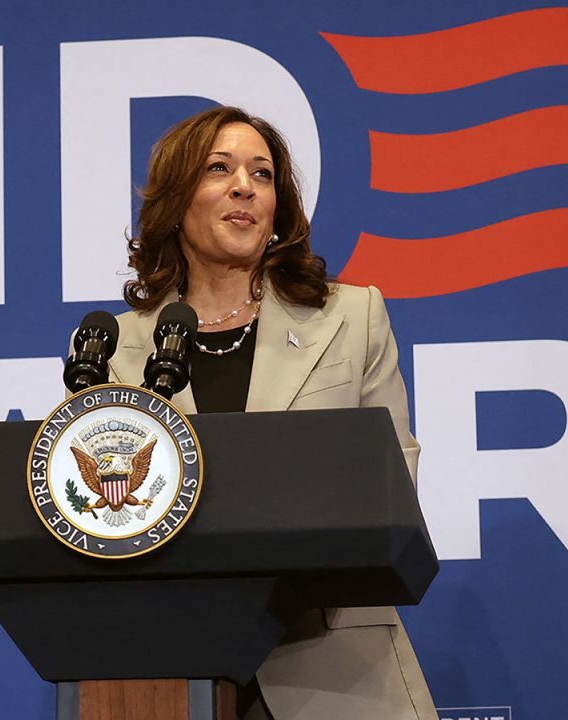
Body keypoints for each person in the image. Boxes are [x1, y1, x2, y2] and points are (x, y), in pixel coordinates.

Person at [102, 106, 435, 720]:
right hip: (169, 671)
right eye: (218, 168)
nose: (244, 186)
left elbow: (394, 483)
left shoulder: (350, 318)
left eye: (263, 174)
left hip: (334, 668)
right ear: (175, 202)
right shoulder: (117, 350)